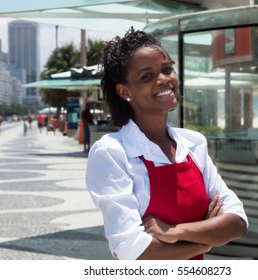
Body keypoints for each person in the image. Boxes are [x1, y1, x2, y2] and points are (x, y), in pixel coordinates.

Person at [85, 27, 248, 260]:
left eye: (167, 69)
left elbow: (238, 222)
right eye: (147, 76)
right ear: (124, 91)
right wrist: (204, 241)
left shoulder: (194, 144)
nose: (164, 79)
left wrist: (175, 232)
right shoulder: (111, 152)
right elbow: (133, 251)